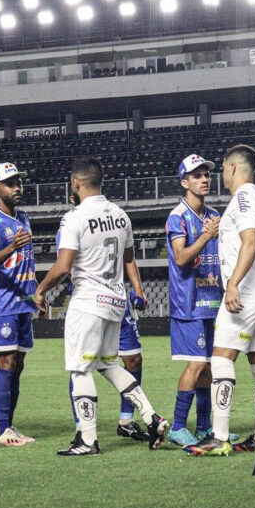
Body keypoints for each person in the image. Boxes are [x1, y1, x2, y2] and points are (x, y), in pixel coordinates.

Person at [33, 158, 171, 455]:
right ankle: (151, 417)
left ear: (76, 183)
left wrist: (41, 290)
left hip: (88, 302)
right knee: (109, 365)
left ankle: (87, 440)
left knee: (80, 370)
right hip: (116, 301)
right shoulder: (121, 215)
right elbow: (129, 256)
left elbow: (63, 266)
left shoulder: (75, 218)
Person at [186, 145, 255, 457]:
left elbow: (250, 242)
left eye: (223, 168)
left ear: (234, 168)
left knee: (222, 359)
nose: (221, 175)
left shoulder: (243, 198)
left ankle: (220, 436)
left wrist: (233, 284)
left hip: (247, 293)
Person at [59, 192, 151, 443]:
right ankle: (83, 427)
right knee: (85, 366)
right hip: (93, 303)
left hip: (115, 302)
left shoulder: (111, 217)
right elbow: (68, 263)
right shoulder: (75, 221)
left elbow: (127, 257)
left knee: (132, 360)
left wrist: (139, 289)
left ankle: (127, 420)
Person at [164, 155, 226, 448]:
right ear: (184, 182)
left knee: (209, 367)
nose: (204, 179)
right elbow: (181, 258)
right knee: (196, 365)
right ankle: (178, 426)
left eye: (207, 175)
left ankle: (203, 428)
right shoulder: (177, 216)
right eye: (197, 175)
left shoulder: (214, 214)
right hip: (187, 303)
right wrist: (205, 236)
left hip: (212, 302)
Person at [0, 162, 37, 446]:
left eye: (19, 183)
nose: (17, 188)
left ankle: (10, 426)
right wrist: (12, 245)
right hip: (1, 303)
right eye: (11, 183)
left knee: (19, 364)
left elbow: (29, 262)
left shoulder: (24, 216)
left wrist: (36, 292)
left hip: (24, 302)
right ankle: (3, 430)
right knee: (6, 361)